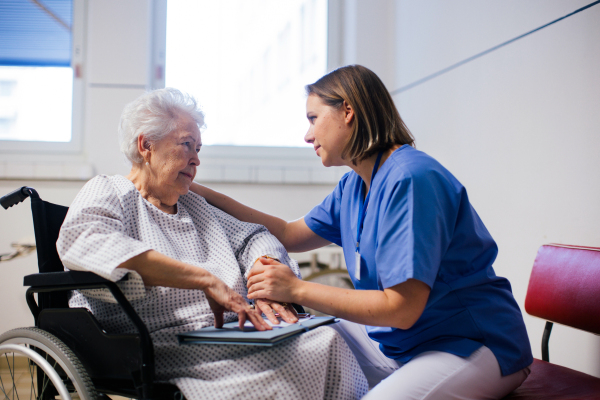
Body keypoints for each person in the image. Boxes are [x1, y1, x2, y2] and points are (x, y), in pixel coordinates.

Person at [190, 65, 534, 400]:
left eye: (313, 119)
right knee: (296, 343)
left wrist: (295, 288)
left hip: (470, 344)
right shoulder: (354, 185)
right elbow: (289, 233)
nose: (307, 135)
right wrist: (198, 192)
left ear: (348, 112)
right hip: (403, 341)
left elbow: (401, 309)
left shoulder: (412, 180)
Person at [56, 88, 368, 400]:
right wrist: (204, 279)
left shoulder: (194, 204)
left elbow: (254, 236)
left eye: (198, 148)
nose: (196, 159)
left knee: (328, 339)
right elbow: (85, 240)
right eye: (186, 145)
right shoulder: (110, 191)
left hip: (229, 331)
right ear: (146, 145)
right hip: (160, 341)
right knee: (304, 358)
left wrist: (263, 272)